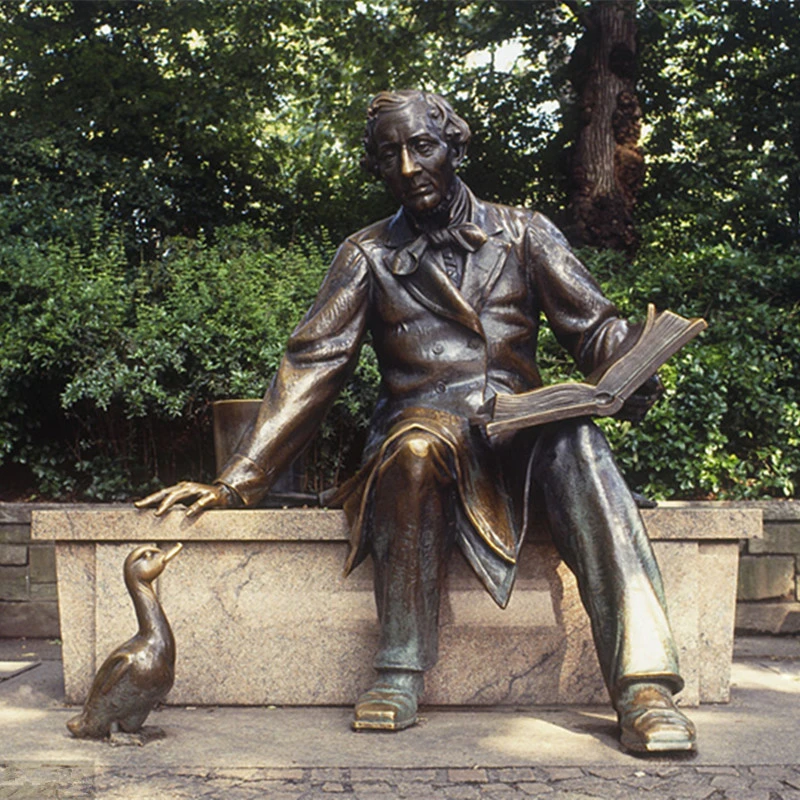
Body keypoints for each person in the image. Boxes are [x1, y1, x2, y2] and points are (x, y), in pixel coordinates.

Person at [136, 90, 696, 753]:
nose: (407, 167)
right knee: (411, 452)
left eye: (421, 147)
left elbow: (594, 326)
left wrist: (630, 365)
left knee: (578, 439)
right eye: (389, 154)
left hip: (520, 431)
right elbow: (312, 365)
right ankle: (399, 668)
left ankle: (644, 688)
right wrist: (238, 479)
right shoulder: (365, 255)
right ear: (376, 166)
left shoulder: (525, 232)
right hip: (424, 432)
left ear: (455, 148)